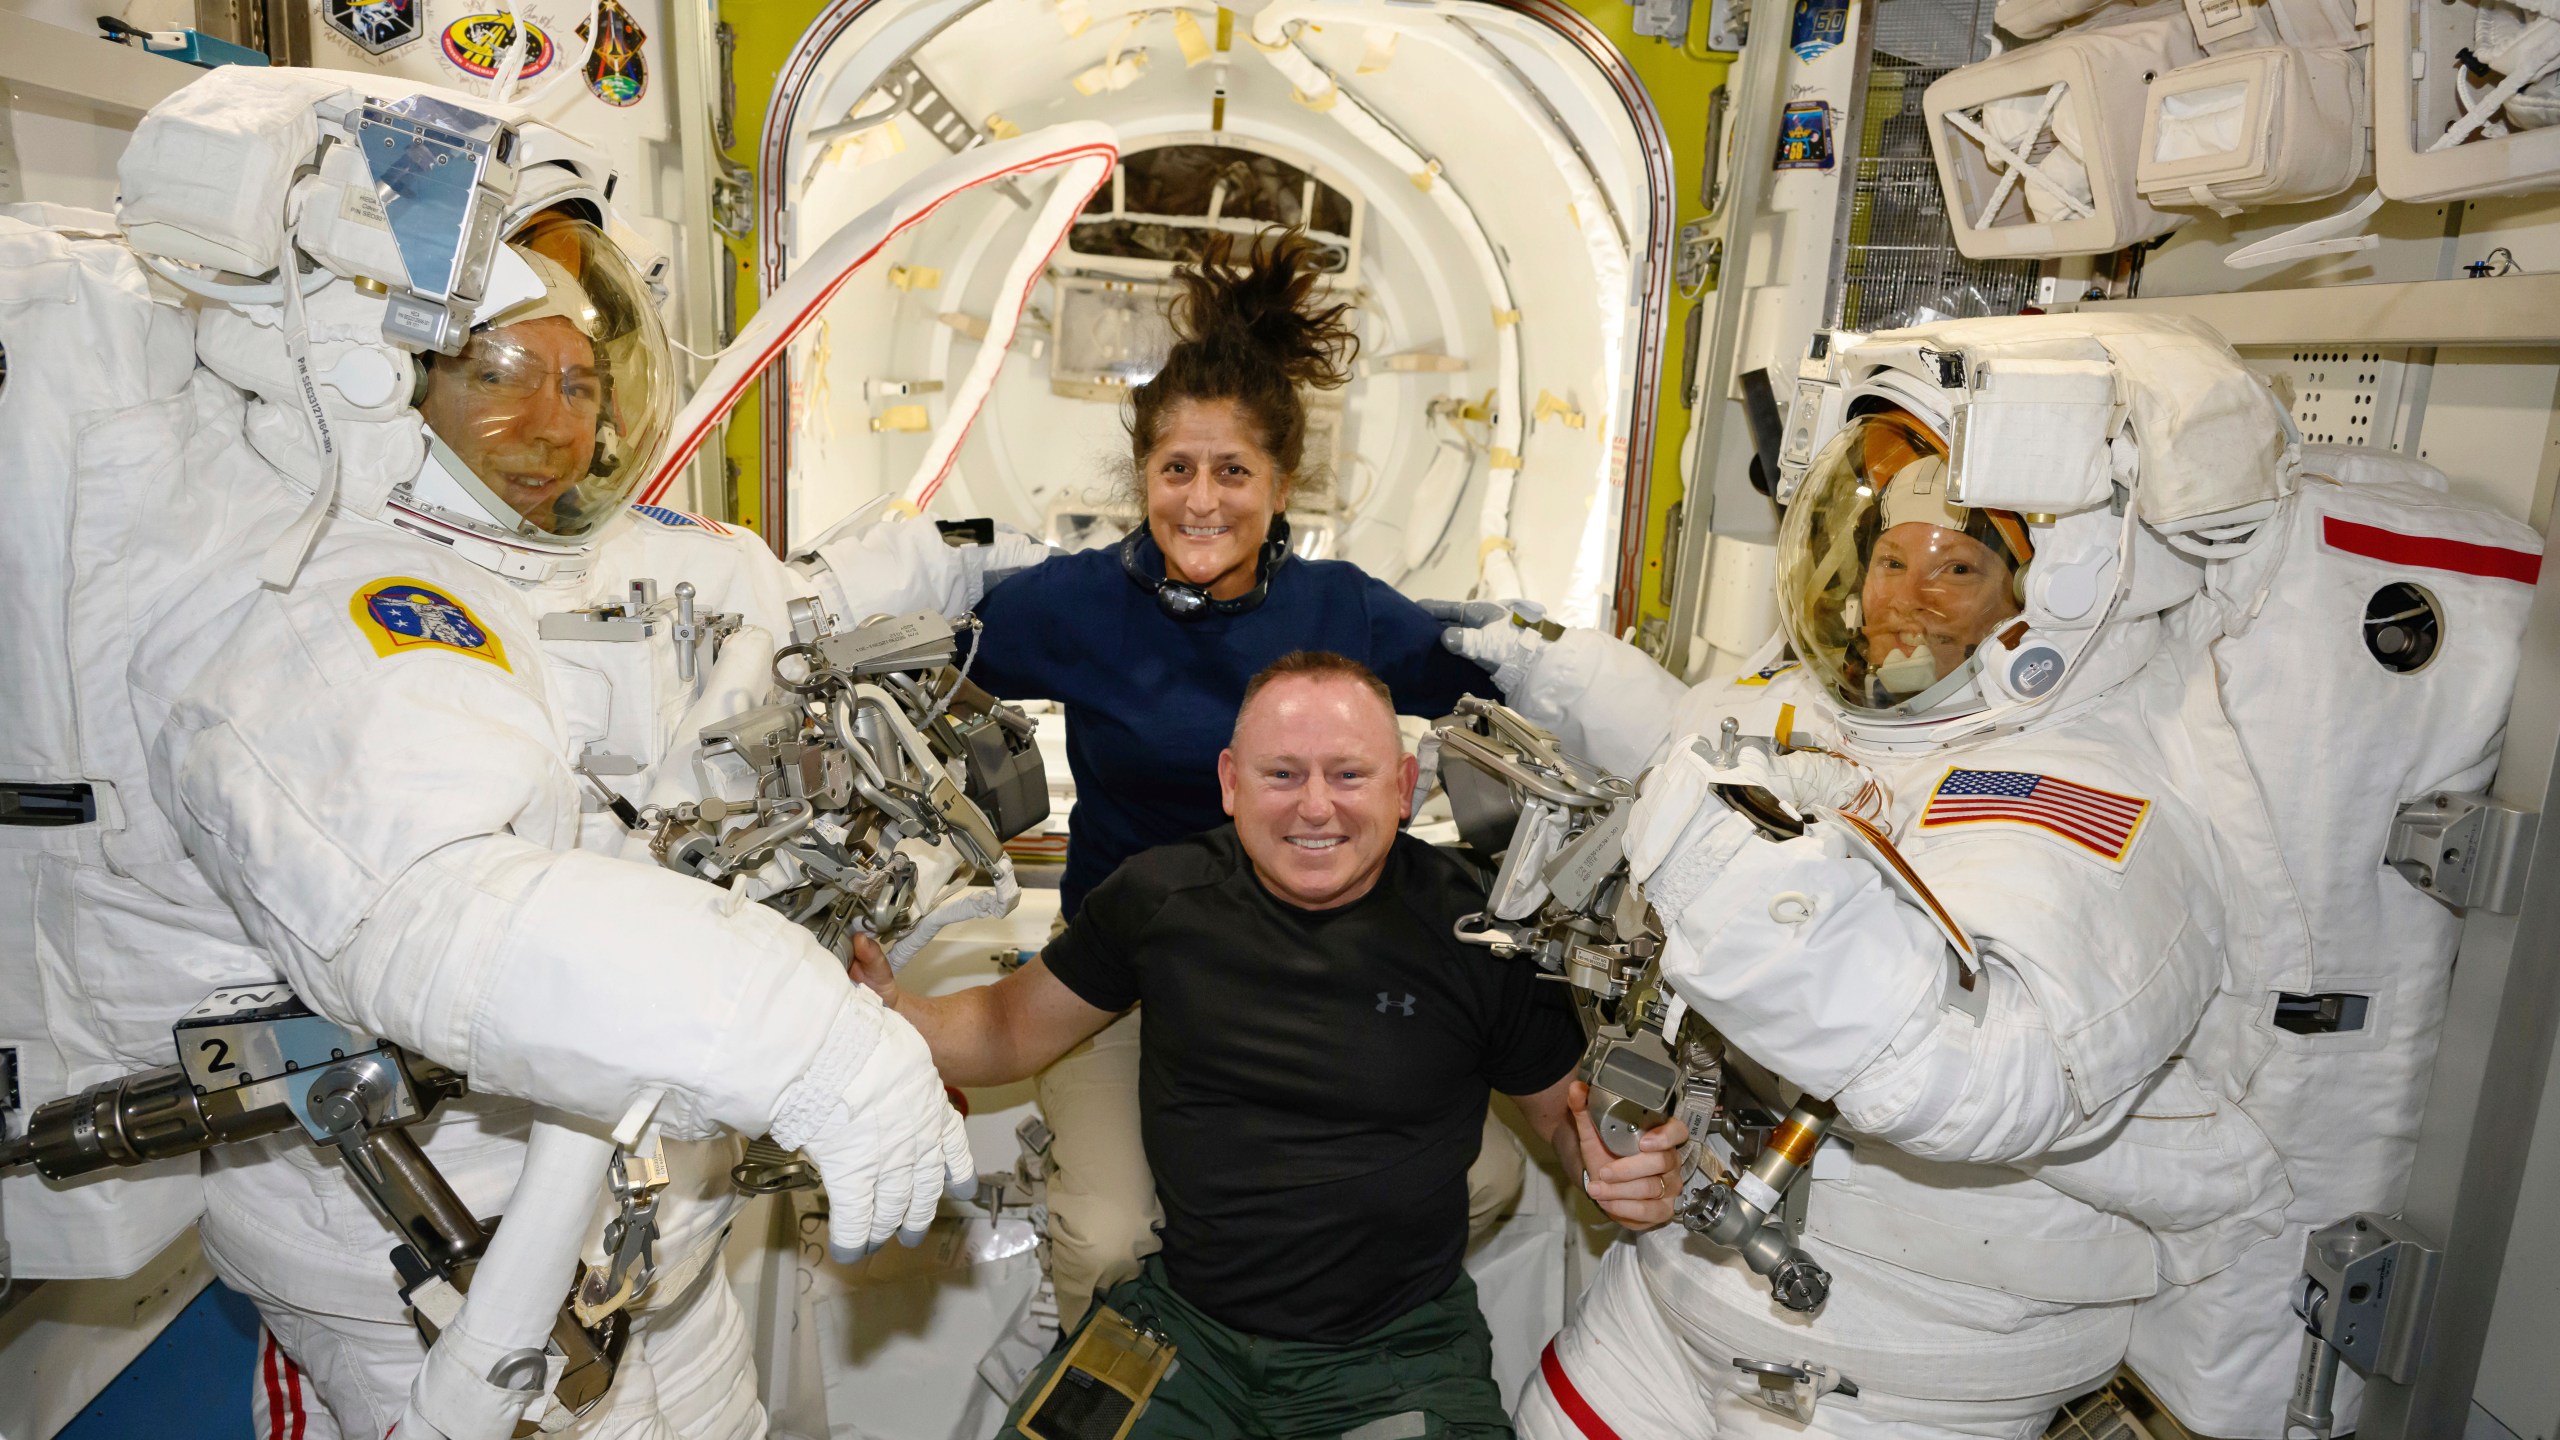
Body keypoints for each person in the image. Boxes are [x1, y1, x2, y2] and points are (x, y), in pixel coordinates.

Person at [4, 66, 1042, 1437]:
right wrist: (820, 1051)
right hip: (438, 1293)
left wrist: (987, 558)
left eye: (578, 381)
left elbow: (778, 605)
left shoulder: (528, 558)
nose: (558, 428)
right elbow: (441, 908)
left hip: (636, 1258)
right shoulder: (308, 607)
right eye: (506, 379)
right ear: (378, 371)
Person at [1437, 316, 2308, 1438]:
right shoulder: (1801, 702)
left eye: (1956, 566)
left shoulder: (2086, 795)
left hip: (1896, 1361)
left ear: (2042, 597)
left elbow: (1989, 1074)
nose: (1905, 593)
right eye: (1891, 558)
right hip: (1681, 1291)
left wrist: (1736, 885)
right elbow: (1680, 753)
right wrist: (1546, 665)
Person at [853, 651, 1684, 1437]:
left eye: (1349, 774)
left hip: (1396, 1353)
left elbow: (1562, 1121)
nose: (1315, 806)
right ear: (1230, 783)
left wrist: (1618, 1169)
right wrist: (887, 1008)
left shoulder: (1479, 933)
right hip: (1183, 1332)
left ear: (1402, 788)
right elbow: (1002, 1030)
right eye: (1282, 774)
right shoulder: (1159, 899)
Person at [963, 228, 1514, 1328]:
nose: (1200, 500)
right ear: (1141, 477)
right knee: (1111, 1240)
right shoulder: (1072, 606)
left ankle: (1298, 1353)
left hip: (1316, 971)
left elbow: (1492, 680)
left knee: (1482, 1181)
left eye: (1232, 472)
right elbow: (927, 638)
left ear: (1282, 483)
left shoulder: (1343, 611)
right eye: (1176, 469)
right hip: (1124, 976)